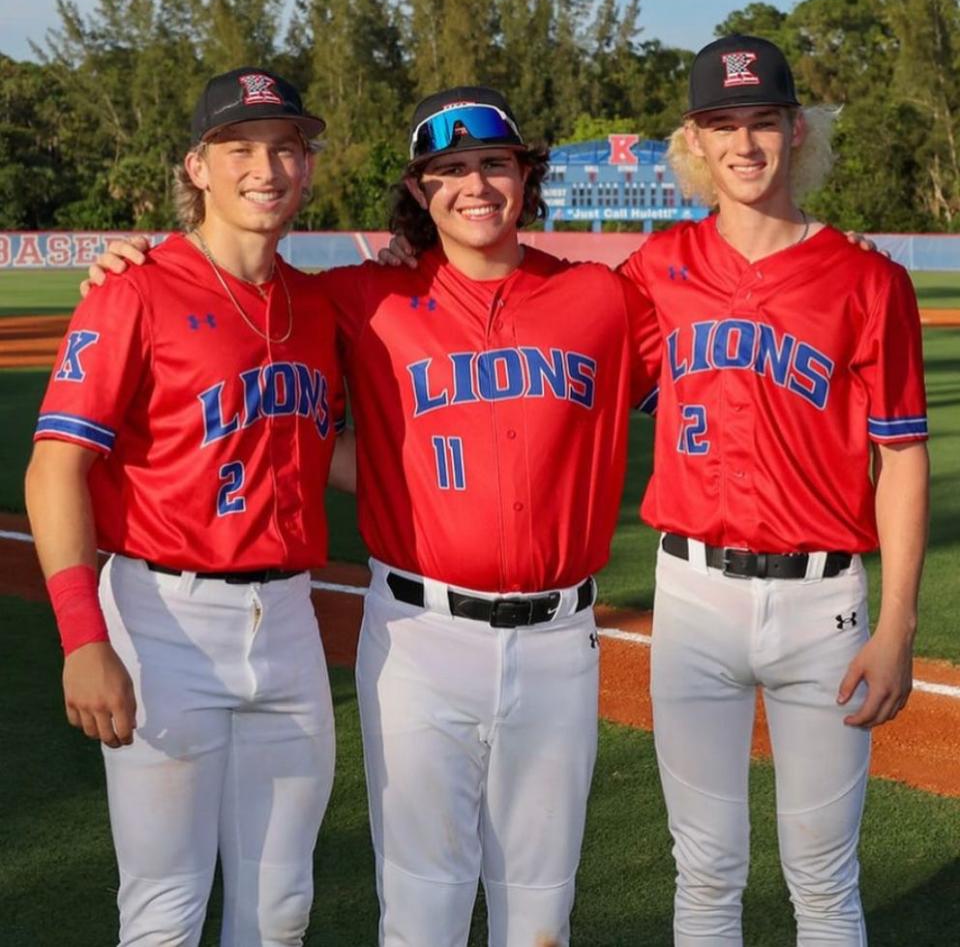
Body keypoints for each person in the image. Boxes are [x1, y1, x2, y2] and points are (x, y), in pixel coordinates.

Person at [84, 85, 661, 947]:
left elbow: (722, 367)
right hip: (420, 634)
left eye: (493, 163)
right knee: (420, 906)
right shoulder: (360, 298)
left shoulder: (603, 300)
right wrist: (129, 262)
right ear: (420, 192)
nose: (474, 185)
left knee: (541, 910)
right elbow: (260, 367)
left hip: (557, 639)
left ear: (527, 175)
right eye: (449, 169)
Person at [27, 67, 352, 946]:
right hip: (162, 618)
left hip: (287, 620)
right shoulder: (132, 287)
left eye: (286, 147)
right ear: (197, 166)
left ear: (309, 167)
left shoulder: (316, 304)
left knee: (280, 909)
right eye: (239, 147)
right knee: (166, 910)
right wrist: (82, 637)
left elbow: (336, 452)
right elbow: (55, 466)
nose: (266, 166)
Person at [618, 34, 929, 945]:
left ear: (797, 132)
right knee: (706, 871)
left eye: (763, 122)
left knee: (824, 879)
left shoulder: (869, 279)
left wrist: (899, 624)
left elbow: (902, 460)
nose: (744, 144)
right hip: (693, 595)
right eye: (723, 124)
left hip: (822, 603)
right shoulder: (653, 273)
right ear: (696, 142)